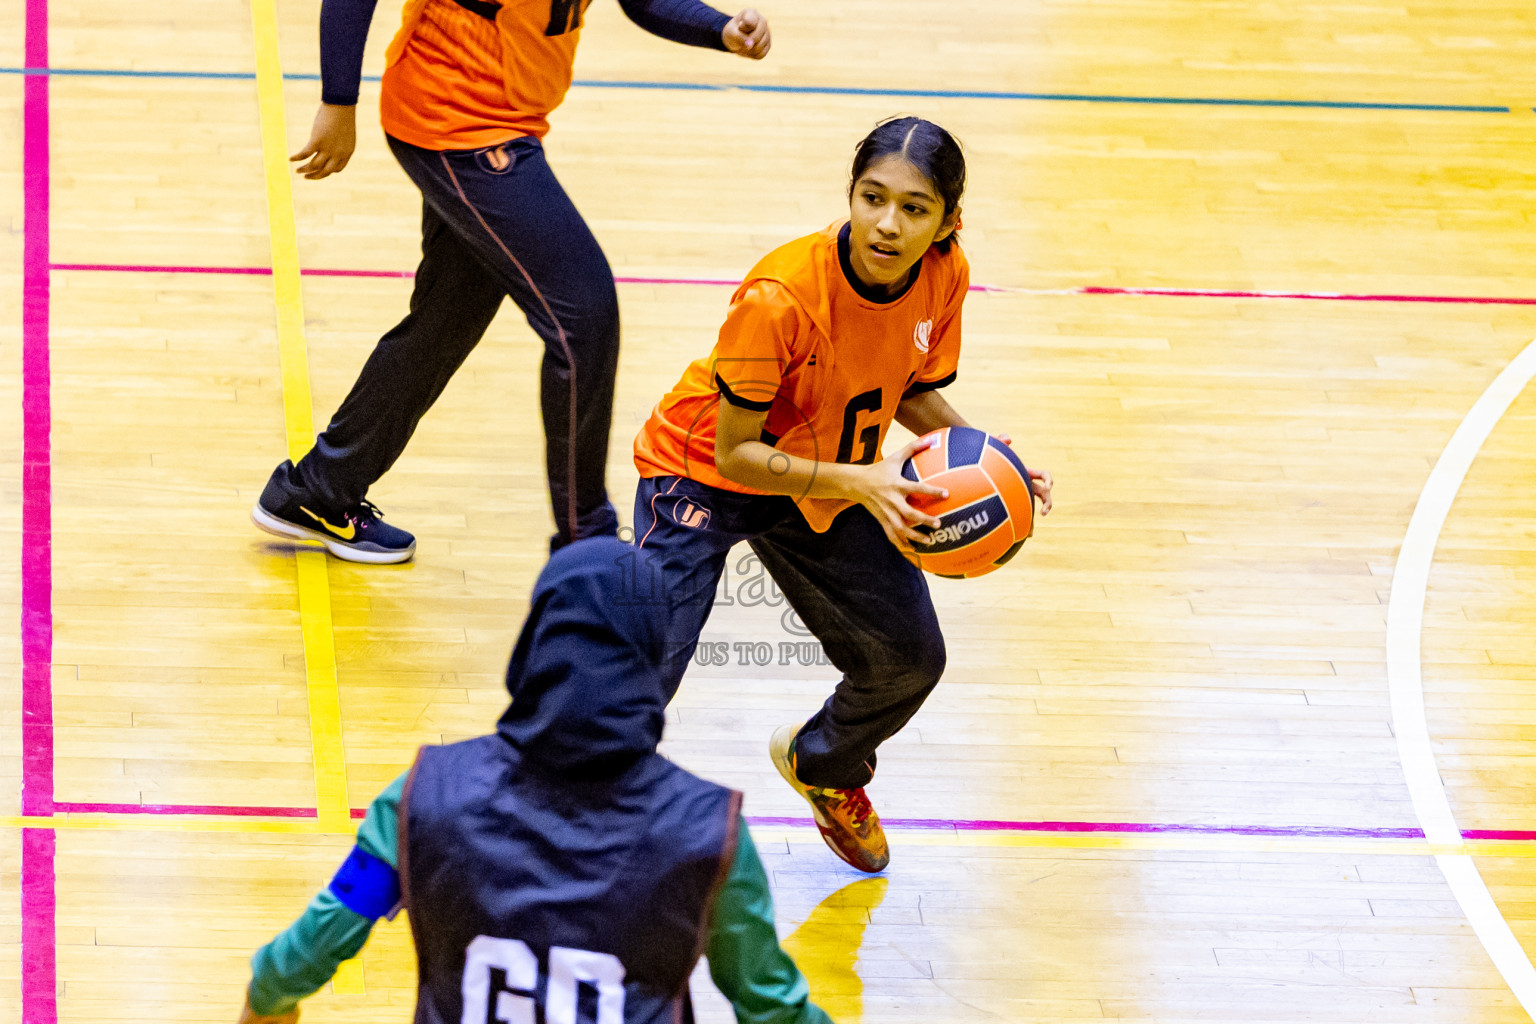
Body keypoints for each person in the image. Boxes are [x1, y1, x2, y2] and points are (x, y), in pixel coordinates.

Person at [630, 116, 1054, 873]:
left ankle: (824, 763)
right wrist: (862, 481)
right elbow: (738, 452)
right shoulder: (781, 295)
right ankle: (573, 815)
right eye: (873, 198)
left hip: (830, 471)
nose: (888, 224)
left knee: (908, 659)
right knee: (645, 669)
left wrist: (988, 459)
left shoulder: (944, 274)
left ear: (948, 223)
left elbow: (911, 387)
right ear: (851, 196)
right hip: (704, 474)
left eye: (915, 208)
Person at [251, 0, 773, 563]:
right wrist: (338, 101)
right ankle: (586, 543)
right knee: (583, 319)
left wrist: (718, 28)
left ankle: (318, 491)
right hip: (455, 123)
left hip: (503, 123)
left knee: (445, 322)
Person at [237, 538, 833, 1024]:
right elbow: (772, 1009)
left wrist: (269, 1003)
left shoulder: (421, 798)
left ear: (536, 641)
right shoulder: (710, 833)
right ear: (651, 655)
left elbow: (298, 958)